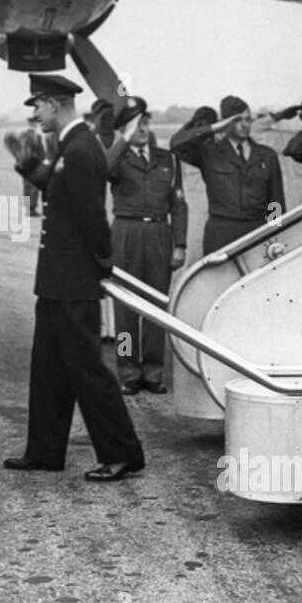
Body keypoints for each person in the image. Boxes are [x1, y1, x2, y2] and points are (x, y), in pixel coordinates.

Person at [2, 74, 145, 482]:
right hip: (56, 279)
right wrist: (28, 162)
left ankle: (121, 453)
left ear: (53, 104)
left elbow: (91, 217)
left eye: (37, 107)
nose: (35, 115)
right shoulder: (72, 144)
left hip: (73, 278)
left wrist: (101, 263)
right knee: (48, 368)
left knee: (87, 370)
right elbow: (57, 189)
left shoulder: (81, 147)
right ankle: (45, 451)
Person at [105, 97, 188, 394]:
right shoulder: (118, 156)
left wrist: (179, 244)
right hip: (125, 233)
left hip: (158, 234)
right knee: (126, 311)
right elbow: (103, 169)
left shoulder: (167, 159)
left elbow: (178, 204)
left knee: (156, 308)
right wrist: (122, 140)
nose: (142, 128)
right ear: (123, 129)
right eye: (134, 123)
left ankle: (153, 373)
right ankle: (128, 372)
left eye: (144, 121)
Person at [171, 95, 286, 253]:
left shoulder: (267, 155)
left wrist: (275, 233)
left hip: (257, 233)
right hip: (221, 234)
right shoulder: (209, 152)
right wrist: (214, 128)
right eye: (238, 120)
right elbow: (176, 144)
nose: (245, 125)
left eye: (247, 119)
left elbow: (275, 201)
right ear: (225, 122)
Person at [19, 115, 47, 215]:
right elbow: (42, 152)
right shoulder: (37, 136)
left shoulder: (22, 135)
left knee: (26, 185)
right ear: (35, 124)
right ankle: (32, 209)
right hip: (35, 164)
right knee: (34, 186)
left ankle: (27, 208)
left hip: (24, 163)